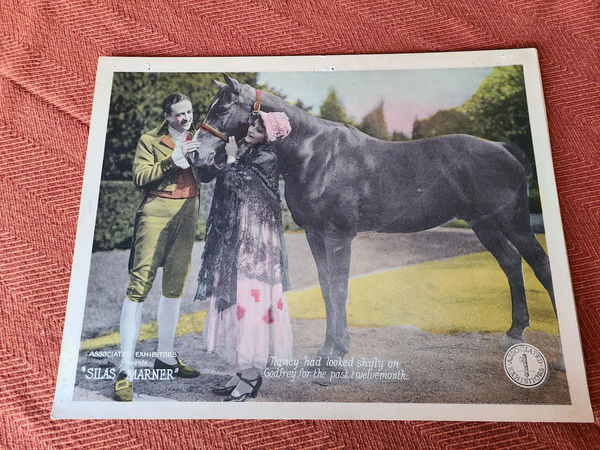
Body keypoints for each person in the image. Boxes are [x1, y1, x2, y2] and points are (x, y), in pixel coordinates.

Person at [114, 93, 208, 402]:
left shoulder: (197, 137)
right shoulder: (149, 139)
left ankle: (165, 356)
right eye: (179, 114)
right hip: (155, 213)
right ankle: (125, 369)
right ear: (166, 116)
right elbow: (140, 178)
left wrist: (213, 158)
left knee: (175, 287)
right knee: (139, 286)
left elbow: (206, 175)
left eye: (189, 112)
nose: (185, 118)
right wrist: (171, 161)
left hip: (187, 213)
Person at [195, 111, 293, 402]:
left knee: (251, 295)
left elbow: (238, 181)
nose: (252, 129)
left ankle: (251, 374)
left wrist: (233, 156)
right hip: (241, 229)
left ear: (271, 135)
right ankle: (242, 371)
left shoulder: (267, 156)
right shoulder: (250, 151)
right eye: (253, 123)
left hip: (256, 237)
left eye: (260, 127)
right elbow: (221, 177)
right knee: (236, 293)